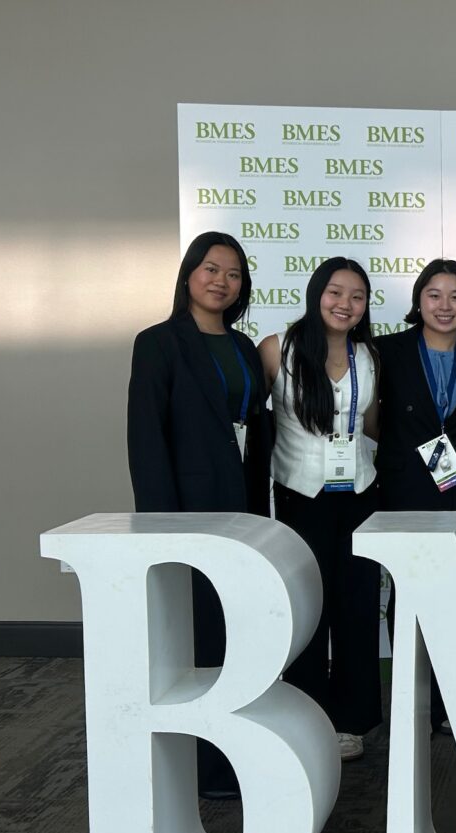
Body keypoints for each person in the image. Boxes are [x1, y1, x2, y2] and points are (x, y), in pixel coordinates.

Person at [127, 230, 271, 800]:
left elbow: (254, 432)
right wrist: (161, 525)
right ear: (189, 273)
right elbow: (146, 438)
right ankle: (204, 769)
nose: (221, 281)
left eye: (233, 274)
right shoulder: (158, 342)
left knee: (238, 635)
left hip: (241, 511)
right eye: (212, 269)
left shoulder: (242, 348)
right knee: (197, 639)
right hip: (185, 514)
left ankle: (233, 756)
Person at [257, 258, 382, 762]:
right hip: (298, 496)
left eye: (357, 296)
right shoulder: (276, 349)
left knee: (355, 608)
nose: (345, 304)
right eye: (335, 292)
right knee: (307, 608)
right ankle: (306, 711)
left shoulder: (371, 355)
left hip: (359, 494)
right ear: (316, 293)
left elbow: (374, 423)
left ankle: (351, 721)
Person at [376, 259, 456, 730]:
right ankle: (412, 704)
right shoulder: (384, 352)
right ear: (418, 301)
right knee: (407, 598)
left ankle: (453, 705)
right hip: (404, 490)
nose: (444, 305)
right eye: (434, 294)